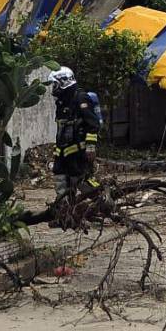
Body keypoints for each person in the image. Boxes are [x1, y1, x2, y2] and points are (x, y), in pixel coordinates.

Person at [49, 66, 101, 220]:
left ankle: (103, 202)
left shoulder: (81, 98)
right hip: (62, 151)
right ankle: (65, 214)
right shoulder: (62, 102)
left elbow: (93, 124)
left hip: (78, 151)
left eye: (55, 83)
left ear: (64, 81)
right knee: (60, 180)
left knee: (81, 182)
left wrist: (90, 147)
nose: (54, 88)